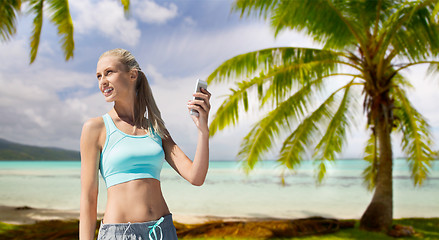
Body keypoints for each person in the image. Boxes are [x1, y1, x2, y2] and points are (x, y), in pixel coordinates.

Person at [79, 48, 211, 240]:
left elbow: (196, 177)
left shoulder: (156, 129)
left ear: (132, 75)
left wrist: (202, 130)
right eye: (99, 76)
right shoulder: (95, 128)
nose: (102, 81)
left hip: (162, 231)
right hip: (119, 234)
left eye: (109, 72)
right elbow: (89, 198)